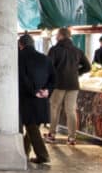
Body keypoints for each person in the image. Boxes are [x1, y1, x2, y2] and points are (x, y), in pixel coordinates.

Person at [46, 28, 91, 145]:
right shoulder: (78, 51)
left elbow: (48, 67)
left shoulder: (54, 50)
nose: (56, 37)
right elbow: (88, 67)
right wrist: (77, 73)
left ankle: (52, 134)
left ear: (60, 35)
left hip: (58, 84)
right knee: (71, 111)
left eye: (57, 35)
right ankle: (72, 138)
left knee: (55, 109)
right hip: (73, 85)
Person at [18, 34, 56, 164]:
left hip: (27, 98)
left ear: (20, 45)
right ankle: (24, 151)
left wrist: (34, 91)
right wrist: (47, 91)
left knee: (31, 126)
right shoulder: (45, 59)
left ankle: (43, 155)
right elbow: (53, 78)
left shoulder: (19, 58)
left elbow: (22, 78)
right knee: (33, 126)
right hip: (42, 98)